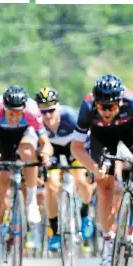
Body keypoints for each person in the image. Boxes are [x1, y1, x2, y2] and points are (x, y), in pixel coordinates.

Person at [70, 74, 133, 266]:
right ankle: (107, 247)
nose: (106, 111)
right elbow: (76, 148)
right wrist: (93, 167)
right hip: (101, 138)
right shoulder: (87, 108)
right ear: (95, 103)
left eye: (112, 107)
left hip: (131, 131)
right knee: (104, 186)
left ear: (120, 102)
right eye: (102, 106)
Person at [0, 85, 53, 264]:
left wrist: (45, 154)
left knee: (29, 153)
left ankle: (31, 202)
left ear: (23, 110)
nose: (13, 117)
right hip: (2, 136)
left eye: (17, 113)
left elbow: (46, 144)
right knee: (1, 181)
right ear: (4, 108)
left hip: (24, 134)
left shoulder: (32, 112)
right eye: (10, 113)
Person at [34, 87, 95, 251]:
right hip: (52, 150)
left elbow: (88, 140)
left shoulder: (71, 117)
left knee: (81, 179)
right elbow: (35, 147)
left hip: (74, 148)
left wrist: (90, 164)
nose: (47, 116)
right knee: (51, 185)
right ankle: (55, 232)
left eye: (51, 111)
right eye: (43, 112)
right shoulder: (36, 123)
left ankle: (85, 214)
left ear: (58, 107)